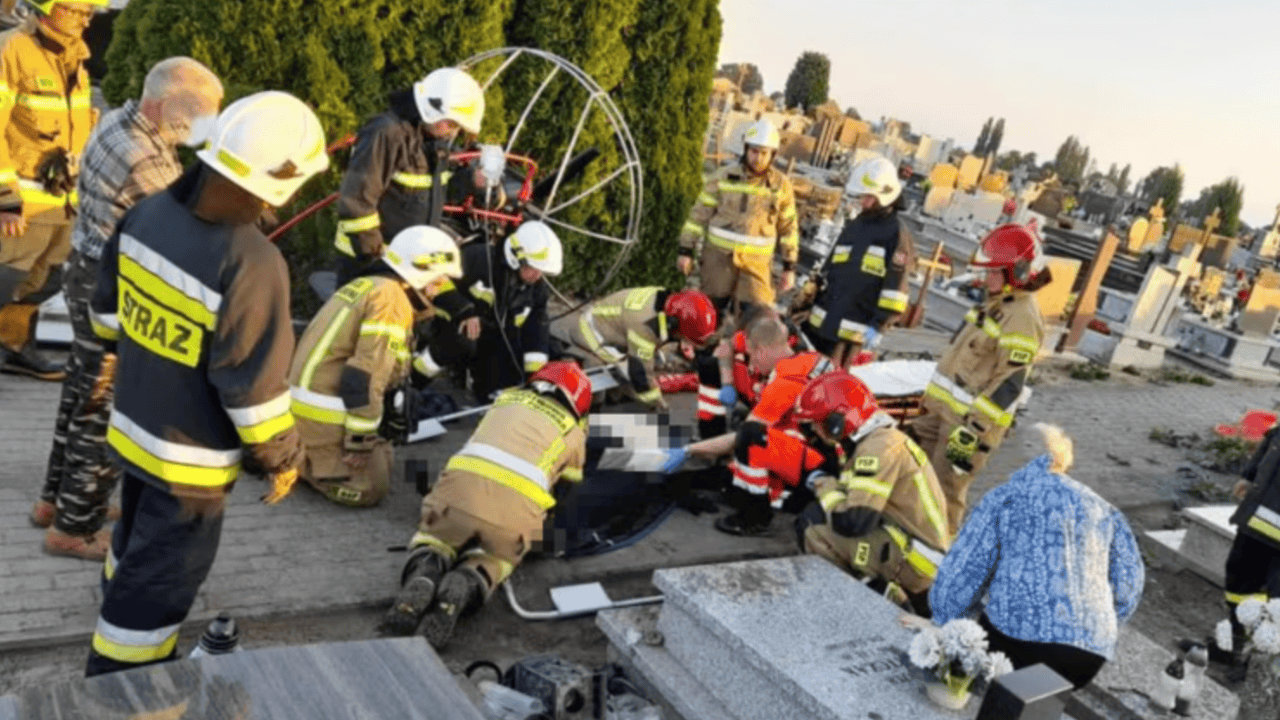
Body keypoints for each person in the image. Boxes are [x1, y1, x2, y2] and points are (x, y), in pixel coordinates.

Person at [84, 91, 329, 676]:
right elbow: (255, 395)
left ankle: (113, 612)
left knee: (132, 550)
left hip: (134, 432)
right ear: (281, 180)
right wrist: (282, 459)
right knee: (156, 589)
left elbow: (106, 319)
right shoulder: (253, 264)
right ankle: (120, 686)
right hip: (190, 469)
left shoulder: (148, 213)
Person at [29, 57, 222, 561]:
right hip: (111, 290)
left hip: (85, 273)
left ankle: (56, 502)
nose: (203, 126)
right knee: (106, 407)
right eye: (198, 114)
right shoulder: (145, 158)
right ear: (162, 106)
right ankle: (74, 527)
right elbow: (183, 229)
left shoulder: (116, 119)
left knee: (80, 392)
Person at [381, 361, 591, 648]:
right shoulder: (575, 432)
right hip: (512, 517)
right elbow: (566, 494)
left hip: (456, 498)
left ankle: (427, 568)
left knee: (435, 539)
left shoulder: (504, 399)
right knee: (497, 560)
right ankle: (468, 581)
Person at [927, 424, 1144, 690]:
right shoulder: (1104, 509)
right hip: (1089, 654)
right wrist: (1093, 626)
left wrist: (944, 620)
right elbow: (1129, 588)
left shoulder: (1007, 496)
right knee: (1037, 705)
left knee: (991, 696)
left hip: (1019, 638)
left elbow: (965, 569)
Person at [289, 226, 463, 508]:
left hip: (307, 404)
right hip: (324, 413)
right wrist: (360, 440)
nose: (442, 284)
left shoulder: (370, 285)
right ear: (420, 270)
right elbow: (365, 375)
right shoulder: (391, 301)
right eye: (440, 277)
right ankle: (301, 468)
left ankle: (301, 454)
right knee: (371, 488)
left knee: (385, 452)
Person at [908, 223, 1048, 536]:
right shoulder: (997, 303)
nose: (987, 279)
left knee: (945, 494)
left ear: (1018, 272)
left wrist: (975, 429)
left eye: (995, 272)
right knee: (917, 478)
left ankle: (940, 561)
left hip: (968, 428)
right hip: (942, 414)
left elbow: (1009, 382)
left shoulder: (1022, 317)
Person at [0, 0, 106, 380]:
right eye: (74, 10)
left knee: (44, 281)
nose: (83, 20)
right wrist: (4, 199)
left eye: (88, 14)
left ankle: (12, 346)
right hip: (21, 202)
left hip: (63, 200)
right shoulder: (12, 50)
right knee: (8, 276)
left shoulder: (76, 57)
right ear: (43, 7)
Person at [793, 372, 950, 616]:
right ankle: (875, 588)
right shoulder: (876, 440)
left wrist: (825, 486)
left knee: (812, 525)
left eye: (817, 422)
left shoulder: (878, 449)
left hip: (915, 561)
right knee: (820, 515)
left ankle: (864, 603)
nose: (813, 429)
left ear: (837, 421)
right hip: (909, 544)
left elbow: (855, 522)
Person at [668, 312, 837, 536]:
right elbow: (726, 347)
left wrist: (689, 450)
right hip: (818, 438)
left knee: (750, 439)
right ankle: (721, 452)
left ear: (761, 350)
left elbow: (743, 436)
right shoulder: (798, 354)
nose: (753, 365)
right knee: (711, 367)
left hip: (820, 459)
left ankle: (754, 516)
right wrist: (727, 380)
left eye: (752, 357)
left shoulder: (787, 383)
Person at [333, 67, 484, 285]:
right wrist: (380, 259)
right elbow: (357, 203)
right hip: (369, 264)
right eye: (452, 124)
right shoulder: (387, 134)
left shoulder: (432, 140)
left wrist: (470, 181)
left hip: (408, 265)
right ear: (433, 109)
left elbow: (434, 193)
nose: (454, 133)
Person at [1181, 422, 1280, 682]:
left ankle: (1258, 664)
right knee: (1239, 583)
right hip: (1259, 520)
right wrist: (1249, 474)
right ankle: (1233, 647)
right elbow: (1274, 436)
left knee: (1274, 603)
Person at [677, 118, 798, 327]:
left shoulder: (781, 186)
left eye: (763, 152)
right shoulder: (722, 177)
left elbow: (789, 229)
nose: (757, 158)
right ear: (745, 149)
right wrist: (685, 250)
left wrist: (789, 266)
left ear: (773, 154)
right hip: (718, 261)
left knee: (756, 320)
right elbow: (698, 216)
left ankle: (742, 357)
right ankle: (706, 355)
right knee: (708, 316)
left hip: (756, 266)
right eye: (753, 151)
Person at [427, 220, 560, 403]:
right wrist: (463, 310)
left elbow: (536, 332)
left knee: (502, 389)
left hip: (495, 341)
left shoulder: (535, 289)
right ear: (516, 256)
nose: (537, 276)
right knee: (463, 341)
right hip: (454, 327)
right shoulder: (478, 258)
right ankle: (419, 379)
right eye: (533, 268)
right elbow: (436, 280)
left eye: (542, 271)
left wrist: (536, 378)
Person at [805, 157, 914, 368]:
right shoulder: (857, 224)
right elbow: (831, 266)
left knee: (833, 390)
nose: (863, 202)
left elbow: (896, 292)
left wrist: (879, 327)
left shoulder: (897, 234)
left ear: (884, 195)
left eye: (868, 197)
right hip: (822, 325)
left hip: (852, 337)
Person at [556, 286, 717, 409]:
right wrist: (657, 403)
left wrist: (678, 345)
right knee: (611, 389)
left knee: (629, 379)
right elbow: (640, 372)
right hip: (592, 336)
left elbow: (662, 334)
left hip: (608, 324)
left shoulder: (667, 302)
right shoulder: (644, 325)